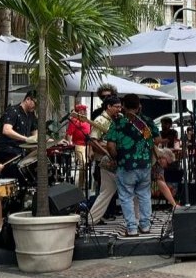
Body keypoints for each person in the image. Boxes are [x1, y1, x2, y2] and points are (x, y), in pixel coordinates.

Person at [104, 94, 157, 237]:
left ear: (123, 106)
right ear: (139, 105)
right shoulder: (145, 122)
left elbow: (110, 145)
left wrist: (116, 156)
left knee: (126, 197)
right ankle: (145, 226)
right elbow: (155, 140)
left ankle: (132, 228)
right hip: (144, 165)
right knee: (144, 195)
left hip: (125, 165)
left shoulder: (118, 123)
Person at [87, 96, 122, 226]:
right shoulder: (100, 120)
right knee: (127, 190)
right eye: (117, 107)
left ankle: (92, 219)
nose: (119, 109)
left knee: (106, 192)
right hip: (105, 161)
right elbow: (93, 140)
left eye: (120, 107)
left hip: (110, 160)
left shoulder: (116, 119)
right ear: (108, 107)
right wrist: (107, 152)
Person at [0, 91, 37, 180]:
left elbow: (35, 132)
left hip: (19, 150)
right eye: (35, 103)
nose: (35, 106)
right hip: (6, 149)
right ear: (28, 99)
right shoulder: (13, 110)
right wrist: (26, 139)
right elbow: (6, 130)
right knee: (16, 172)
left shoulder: (31, 115)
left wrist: (44, 141)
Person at [66, 104, 91, 188]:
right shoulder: (74, 121)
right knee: (83, 163)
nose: (85, 112)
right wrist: (69, 143)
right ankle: (81, 184)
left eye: (85, 110)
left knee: (88, 163)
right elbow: (69, 134)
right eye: (83, 110)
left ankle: (86, 181)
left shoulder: (87, 121)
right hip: (79, 144)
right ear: (79, 112)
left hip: (88, 145)